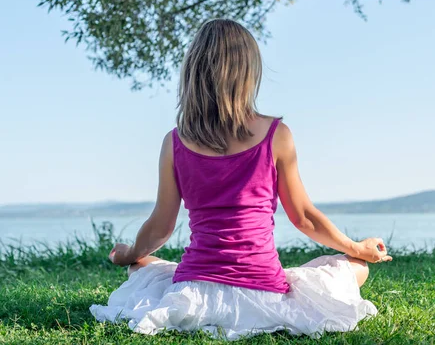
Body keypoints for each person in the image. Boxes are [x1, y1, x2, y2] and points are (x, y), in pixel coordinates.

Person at [89, 18, 392, 340]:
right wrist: (356, 248)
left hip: (196, 289)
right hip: (264, 290)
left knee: (141, 267)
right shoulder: (277, 135)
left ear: (193, 72)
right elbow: (304, 218)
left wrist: (129, 254)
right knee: (355, 268)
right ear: (249, 74)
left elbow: (161, 226)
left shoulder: (175, 142)